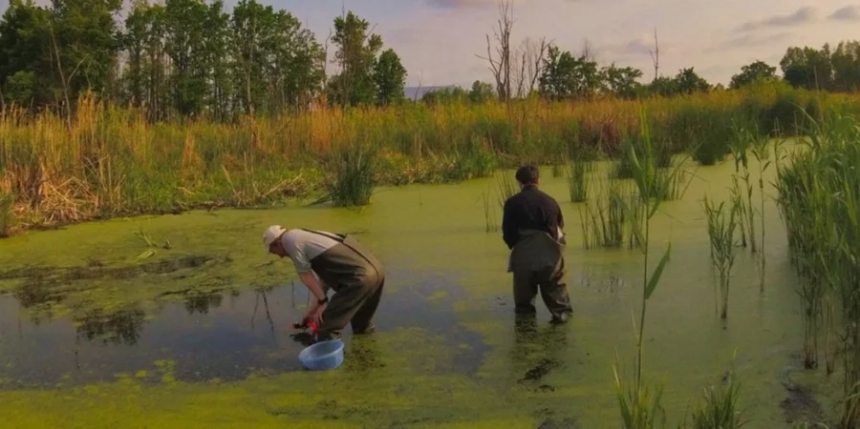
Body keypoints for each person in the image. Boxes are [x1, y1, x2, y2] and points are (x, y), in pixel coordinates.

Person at [263, 226, 385, 342]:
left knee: (326, 328)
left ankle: (332, 363)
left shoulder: (289, 241)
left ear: (277, 243)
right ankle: (368, 359)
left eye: (274, 251)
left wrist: (323, 302)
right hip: (376, 271)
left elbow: (305, 276)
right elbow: (324, 280)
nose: (280, 256)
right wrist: (312, 311)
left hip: (359, 279)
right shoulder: (305, 237)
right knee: (362, 326)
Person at [501, 165, 573, 324]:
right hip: (551, 258)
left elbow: (508, 235)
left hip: (524, 258)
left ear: (519, 182)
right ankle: (560, 337)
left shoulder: (512, 203)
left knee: (524, 309)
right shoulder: (551, 202)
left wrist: (519, 247)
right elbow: (559, 227)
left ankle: (527, 341)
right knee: (561, 310)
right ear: (538, 181)